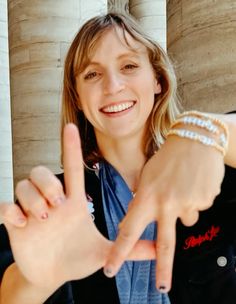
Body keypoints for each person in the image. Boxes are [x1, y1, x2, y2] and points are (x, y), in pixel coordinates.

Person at [0, 12, 236, 304]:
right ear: (77, 97)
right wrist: (33, 280)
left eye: (129, 66)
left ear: (157, 80)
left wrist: (212, 131)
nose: (112, 86)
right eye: (92, 74)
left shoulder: (214, 173)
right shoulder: (55, 204)